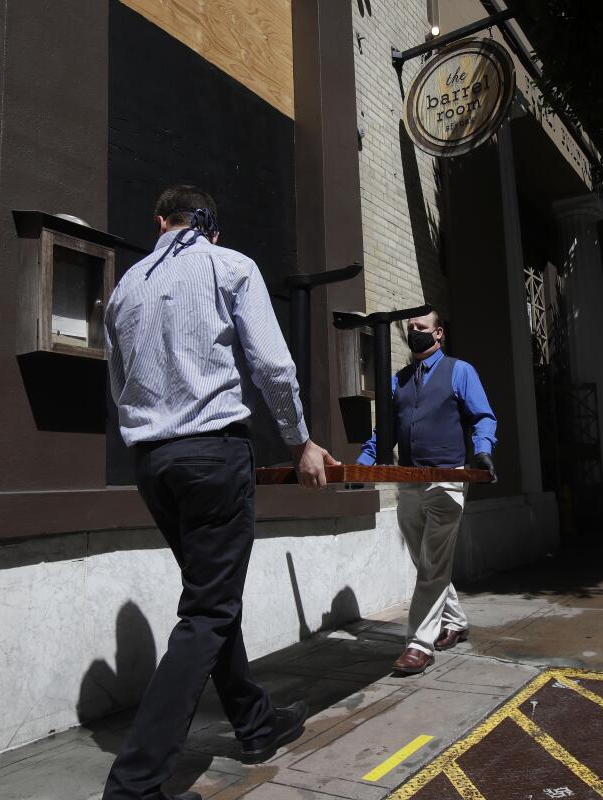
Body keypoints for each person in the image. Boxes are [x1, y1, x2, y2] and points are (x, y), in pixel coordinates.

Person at [102, 184, 338, 800]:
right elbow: (273, 365)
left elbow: (119, 380)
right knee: (207, 610)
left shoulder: (124, 287)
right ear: (213, 228)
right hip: (211, 453)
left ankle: (256, 723)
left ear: (159, 221)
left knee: (212, 594)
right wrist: (300, 442)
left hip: (152, 462)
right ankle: (134, 783)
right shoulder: (228, 265)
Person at [358, 311, 497, 675]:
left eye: (420, 328)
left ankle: (419, 644)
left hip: (447, 479)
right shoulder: (398, 380)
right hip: (410, 481)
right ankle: (455, 621)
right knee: (428, 562)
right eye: (410, 328)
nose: (413, 333)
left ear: (438, 333)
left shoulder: (459, 370)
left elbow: (482, 416)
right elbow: (382, 432)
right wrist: (362, 465)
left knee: (433, 563)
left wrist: (483, 450)